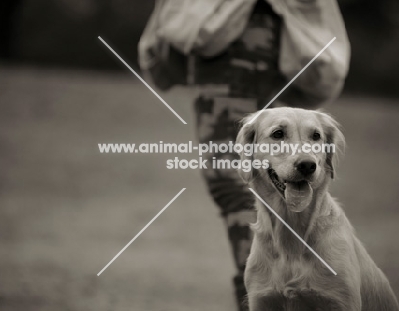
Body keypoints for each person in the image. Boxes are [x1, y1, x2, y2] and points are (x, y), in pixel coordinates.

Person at [139, 1, 349, 310]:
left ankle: (267, 293)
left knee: (240, 178)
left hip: (233, 35)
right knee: (273, 176)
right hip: (281, 38)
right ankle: (282, 290)